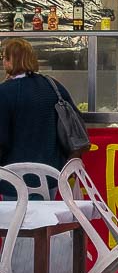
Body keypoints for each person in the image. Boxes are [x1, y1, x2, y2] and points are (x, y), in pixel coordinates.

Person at [0, 39, 79, 197]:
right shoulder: (53, 86)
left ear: (9, 61)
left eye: (4, 57)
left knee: (18, 221)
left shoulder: (4, 93)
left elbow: (2, 140)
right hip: (51, 176)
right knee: (45, 219)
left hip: (13, 179)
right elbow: (74, 121)